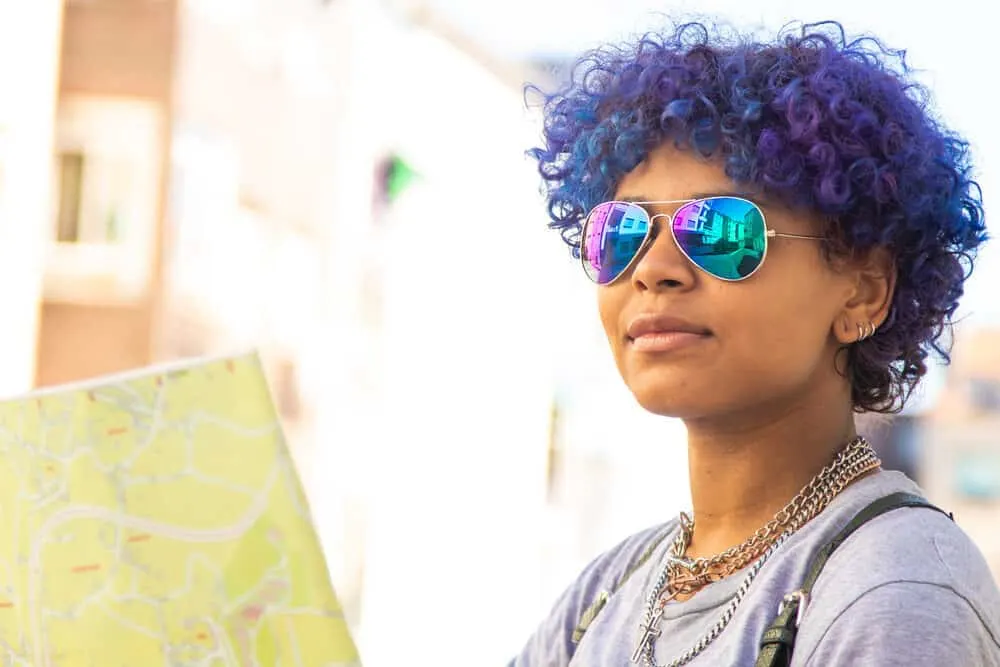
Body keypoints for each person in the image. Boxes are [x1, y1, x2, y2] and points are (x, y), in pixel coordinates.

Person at [510, 19, 1000, 666]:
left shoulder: (892, 588)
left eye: (718, 230)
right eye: (621, 232)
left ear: (863, 291)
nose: (654, 267)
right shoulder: (606, 595)